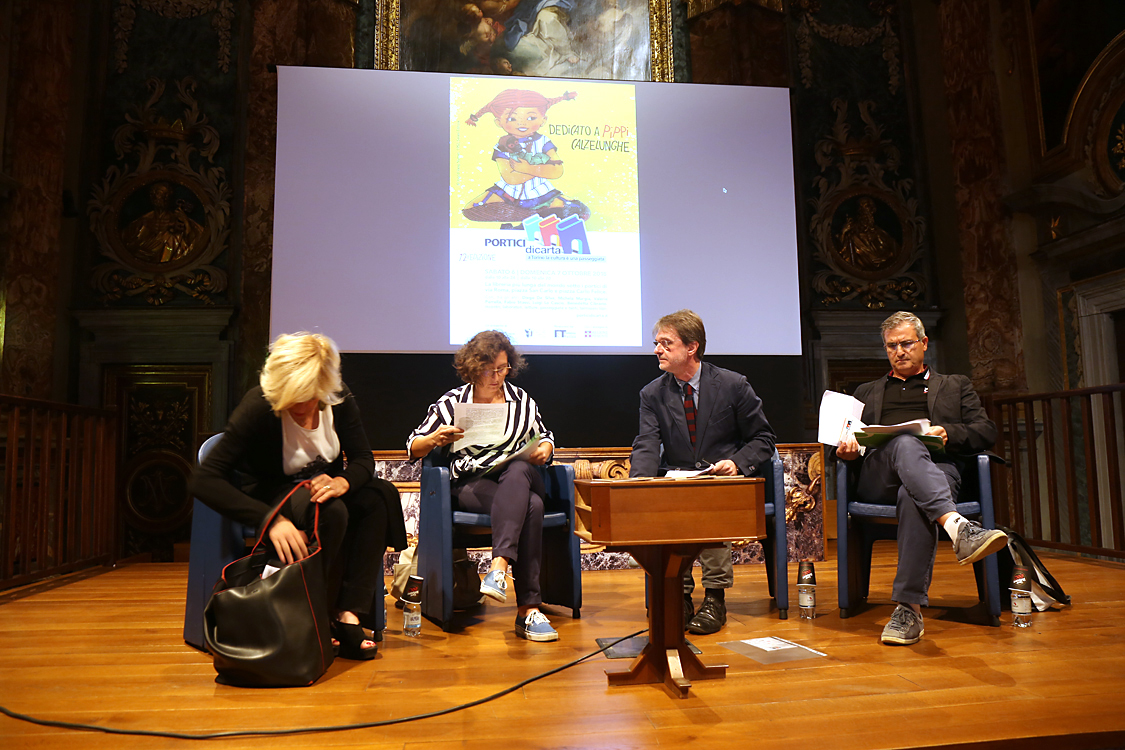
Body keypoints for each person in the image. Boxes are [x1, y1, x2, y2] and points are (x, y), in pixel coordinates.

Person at [189, 332, 407, 660]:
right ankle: (313, 616)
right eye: (294, 401)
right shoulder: (258, 405)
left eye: (310, 399)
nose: (303, 412)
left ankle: (348, 613)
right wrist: (270, 520)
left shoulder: (338, 398)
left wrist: (343, 481)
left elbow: (363, 459)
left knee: (379, 495)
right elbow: (204, 480)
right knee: (331, 512)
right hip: (273, 497)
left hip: (320, 493)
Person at [836, 311, 1008, 646]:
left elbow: (986, 431)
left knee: (911, 496)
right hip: (879, 475)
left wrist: (950, 432)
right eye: (891, 346)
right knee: (904, 442)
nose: (899, 351)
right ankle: (958, 526)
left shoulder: (955, 385)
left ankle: (908, 610)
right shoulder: (866, 392)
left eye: (906, 343)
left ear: (924, 343)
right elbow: (843, 441)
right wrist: (846, 451)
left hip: (938, 471)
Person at [629, 310, 777, 635]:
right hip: (677, 481)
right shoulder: (652, 394)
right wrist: (638, 485)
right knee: (669, 501)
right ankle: (679, 596)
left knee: (712, 501)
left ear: (691, 347)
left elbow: (763, 438)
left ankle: (714, 598)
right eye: (656, 343)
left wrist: (736, 463)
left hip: (722, 481)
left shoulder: (733, 385)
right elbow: (647, 443)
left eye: (666, 343)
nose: (657, 350)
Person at [407, 330, 559, 642]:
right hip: (473, 484)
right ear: (473, 369)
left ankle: (498, 567)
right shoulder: (453, 402)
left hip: (520, 474)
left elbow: (545, 434)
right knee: (533, 506)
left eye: (502, 369)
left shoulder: (522, 401)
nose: (496, 377)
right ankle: (528, 610)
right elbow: (413, 445)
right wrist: (435, 439)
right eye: (488, 370)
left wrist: (545, 447)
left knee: (518, 467)